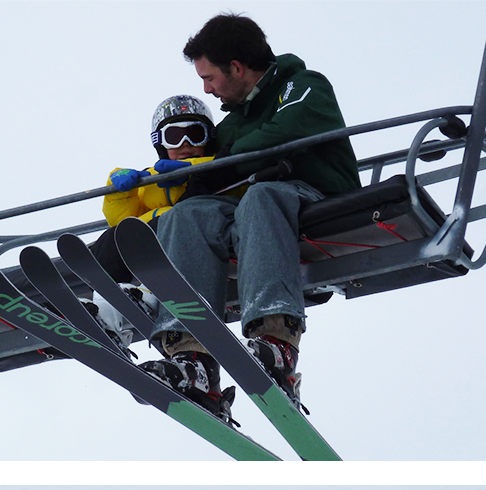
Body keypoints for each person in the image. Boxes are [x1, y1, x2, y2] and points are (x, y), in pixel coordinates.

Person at [150, 13, 362, 411]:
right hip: (252, 214)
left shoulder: (302, 86)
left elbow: (285, 134)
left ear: (236, 67)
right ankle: (192, 359)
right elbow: (211, 168)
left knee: (262, 195)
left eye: (209, 78)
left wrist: (226, 162)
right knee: (186, 215)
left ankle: (276, 342)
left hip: (318, 198)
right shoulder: (231, 126)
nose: (207, 90)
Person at [94, 94, 236, 423]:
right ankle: (108, 312)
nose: (185, 144)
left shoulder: (219, 168)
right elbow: (121, 219)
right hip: (156, 245)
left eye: (194, 135)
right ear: (160, 143)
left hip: (201, 238)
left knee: (172, 226)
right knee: (110, 242)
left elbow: (236, 187)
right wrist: (121, 190)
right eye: (174, 136)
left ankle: (195, 367)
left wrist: (192, 170)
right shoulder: (151, 180)